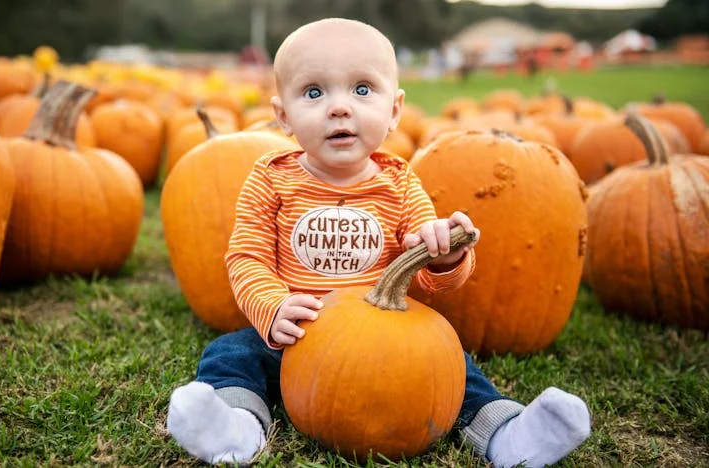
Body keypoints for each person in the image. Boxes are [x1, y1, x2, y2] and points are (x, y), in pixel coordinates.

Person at [166, 18, 591, 467]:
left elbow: (432, 280)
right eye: (314, 92)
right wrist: (271, 308)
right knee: (231, 354)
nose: (339, 108)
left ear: (394, 110)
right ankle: (236, 426)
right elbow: (246, 257)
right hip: (298, 332)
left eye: (363, 90)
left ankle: (506, 434)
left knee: (457, 369)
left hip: (387, 338)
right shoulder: (271, 179)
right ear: (283, 116)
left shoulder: (401, 185)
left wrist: (446, 257)